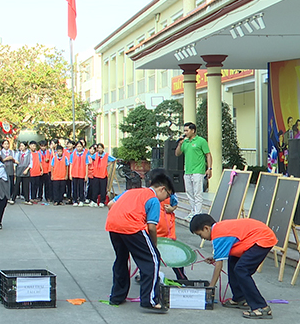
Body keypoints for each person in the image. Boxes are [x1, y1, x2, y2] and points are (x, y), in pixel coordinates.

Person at [105, 170, 174, 312]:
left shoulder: (131, 191)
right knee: (152, 260)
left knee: (121, 259)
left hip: (113, 225)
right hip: (132, 227)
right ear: (162, 189)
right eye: (167, 195)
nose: (165, 199)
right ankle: (150, 300)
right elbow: (152, 227)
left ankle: (117, 296)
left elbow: (111, 204)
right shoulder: (153, 199)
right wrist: (154, 245)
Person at [190, 214, 277, 319]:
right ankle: (240, 298)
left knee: (241, 270)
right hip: (255, 237)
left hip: (262, 238)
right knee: (233, 261)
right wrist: (215, 258)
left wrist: (211, 287)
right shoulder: (219, 230)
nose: (202, 238)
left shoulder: (218, 235)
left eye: (200, 235)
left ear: (206, 228)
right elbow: (222, 253)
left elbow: (219, 265)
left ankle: (262, 307)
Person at [175, 122, 212, 219]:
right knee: (189, 192)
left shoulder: (201, 141)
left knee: (197, 193)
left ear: (193, 130)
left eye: (187, 130)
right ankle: (193, 210)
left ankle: (198, 213)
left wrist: (209, 168)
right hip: (187, 171)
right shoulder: (185, 142)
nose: (185, 132)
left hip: (198, 171)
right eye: (184, 130)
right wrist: (179, 144)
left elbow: (208, 154)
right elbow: (177, 154)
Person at [88, 143, 116, 207]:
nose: (99, 149)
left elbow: (114, 159)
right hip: (96, 174)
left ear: (103, 149)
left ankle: (102, 201)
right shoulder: (95, 155)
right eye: (98, 148)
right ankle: (94, 201)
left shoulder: (106, 155)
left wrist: (107, 164)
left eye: (100, 148)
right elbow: (91, 158)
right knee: (95, 188)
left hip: (103, 174)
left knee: (103, 189)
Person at [68, 141, 89, 206]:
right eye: (78, 146)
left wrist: (86, 175)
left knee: (81, 188)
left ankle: (81, 200)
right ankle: (75, 200)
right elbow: (71, 164)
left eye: (80, 146)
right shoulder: (73, 154)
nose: (79, 148)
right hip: (75, 173)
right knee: (74, 188)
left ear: (82, 147)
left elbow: (86, 165)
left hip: (82, 174)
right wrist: (70, 174)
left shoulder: (85, 155)